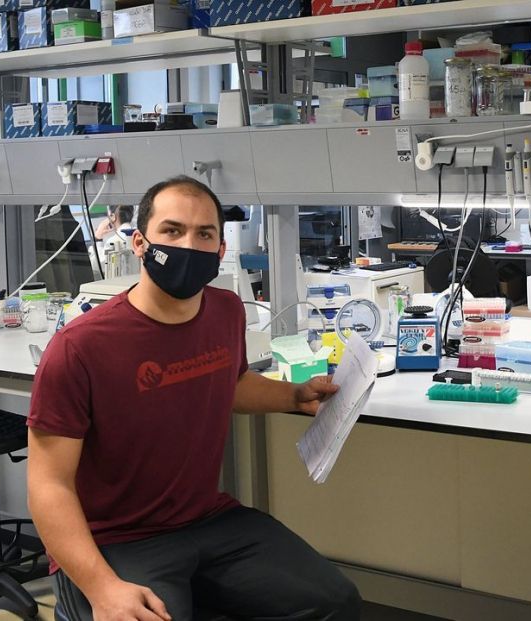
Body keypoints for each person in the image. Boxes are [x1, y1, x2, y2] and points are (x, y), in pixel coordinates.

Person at [28, 176, 361, 620]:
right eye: (172, 231)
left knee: (333, 602)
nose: (188, 244)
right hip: (114, 538)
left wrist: (294, 395)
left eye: (205, 234)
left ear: (221, 251)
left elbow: (231, 381)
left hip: (207, 519)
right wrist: (103, 588)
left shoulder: (225, 311)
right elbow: (48, 487)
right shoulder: (80, 347)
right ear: (140, 243)